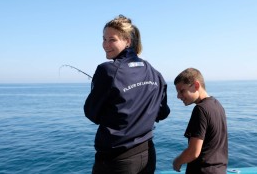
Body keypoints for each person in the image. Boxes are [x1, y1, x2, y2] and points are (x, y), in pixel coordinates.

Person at [84, 15, 170, 174]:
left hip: (116, 161)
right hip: (147, 155)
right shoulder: (154, 73)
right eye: (104, 39)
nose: (105, 45)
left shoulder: (107, 71)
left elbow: (91, 113)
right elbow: (163, 113)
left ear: (128, 41)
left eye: (112, 40)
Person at [172, 68, 228, 174]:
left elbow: (193, 152)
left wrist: (177, 162)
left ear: (196, 85)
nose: (178, 96)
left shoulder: (200, 109)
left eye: (182, 91)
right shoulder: (217, 105)